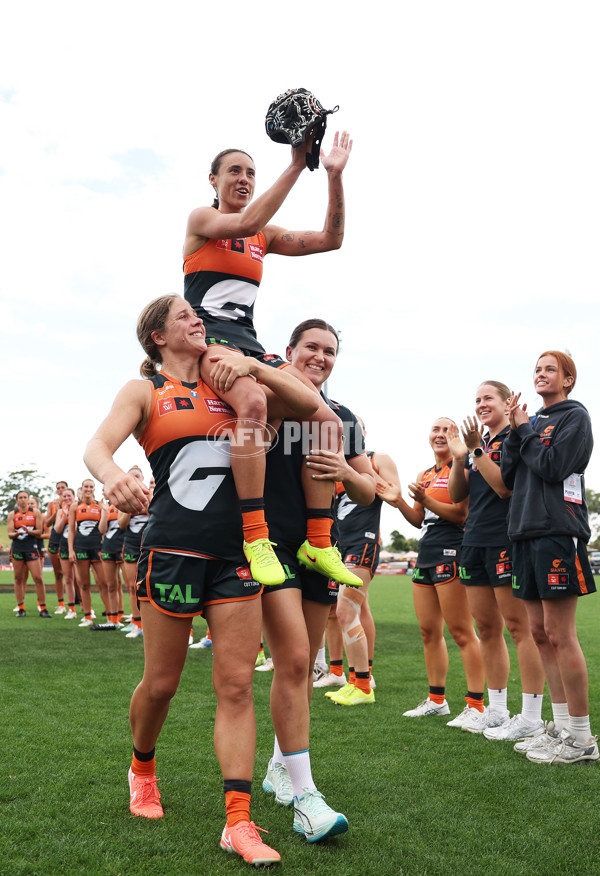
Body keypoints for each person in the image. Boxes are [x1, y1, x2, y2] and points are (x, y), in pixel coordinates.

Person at [84, 293, 318, 866]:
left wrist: (257, 367)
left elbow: (311, 409)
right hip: (172, 551)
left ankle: (238, 821)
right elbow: (97, 445)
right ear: (159, 337)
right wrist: (113, 474)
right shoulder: (146, 389)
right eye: (186, 316)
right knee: (161, 684)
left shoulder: (230, 382)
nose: (200, 321)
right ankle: (143, 766)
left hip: (238, 554)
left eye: (199, 314)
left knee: (236, 686)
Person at [182, 135, 360, 590]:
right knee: (254, 405)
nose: (243, 178)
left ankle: (319, 542)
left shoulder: (264, 235)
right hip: (212, 341)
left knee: (327, 420)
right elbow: (246, 221)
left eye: (250, 172)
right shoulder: (203, 220)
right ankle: (256, 537)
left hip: (250, 344)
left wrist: (334, 176)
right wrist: (298, 165)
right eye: (235, 171)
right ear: (214, 180)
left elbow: (331, 240)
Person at [260, 318, 375, 841]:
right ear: (290, 351)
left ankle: (279, 764)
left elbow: (370, 492)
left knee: (302, 668)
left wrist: (346, 474)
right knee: (296, 660)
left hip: (319, 549)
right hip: (271, 545)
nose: (320, 357)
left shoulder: (344, 418)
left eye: (330, 351)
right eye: (311, 347)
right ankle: (305, 794)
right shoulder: (262, 395)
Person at [500, 351, 598, 764]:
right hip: (523, 532)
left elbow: (553, 466)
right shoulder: (529, 423)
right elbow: (509, 475)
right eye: (537, 369)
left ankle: (581, 737)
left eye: (550, 369)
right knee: (539, 633)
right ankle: (559, 726)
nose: (541, 375)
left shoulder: (575, 417)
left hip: (557, 532)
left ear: (568, 379)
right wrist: (513, 428)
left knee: (560, 634)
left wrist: (523, 431)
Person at [447, 383, 546, 738]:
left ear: (508, 403)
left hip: (505, 540)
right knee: (487, 629)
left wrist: (474, 449)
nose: (481, 404)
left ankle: (531, 716)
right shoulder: (481, 446)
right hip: (473, 541)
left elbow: (504, 485)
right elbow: (458, 496)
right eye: (476, 400)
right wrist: (461, 457)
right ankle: (498, 710)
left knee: (521, 629)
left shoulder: (516, 437)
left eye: (488, 398)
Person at [377, 418, 485, 725]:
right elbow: (417, 519)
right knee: (428, 633)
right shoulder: (425, 473)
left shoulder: (461, 467)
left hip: (453, 551)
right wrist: (398, 500)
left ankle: (476, 705)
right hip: (426, 553)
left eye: (447, 430)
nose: (440, 435)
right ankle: (437, 701)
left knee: (462, 632)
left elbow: (460, 514)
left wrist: (425, 500)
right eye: (435, 430)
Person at [319, 420, 400, 699]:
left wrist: (355, 472)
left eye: (353, 429)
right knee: (354, 610)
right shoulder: (331, 463)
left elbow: (394, 493)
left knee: (345, 611)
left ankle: (363, 683)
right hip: (339, 546)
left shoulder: (378, 459)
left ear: (363, 434)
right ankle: (356, 678)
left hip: (364, 543)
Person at [68, 479, 112, 628]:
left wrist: (104, 511)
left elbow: (102, 530)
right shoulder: (75, 506)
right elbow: (71, 530)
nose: (88, 489)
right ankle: (88, 616)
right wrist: (70, 550)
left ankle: (110, 616)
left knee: (103, 583)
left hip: (97, 548)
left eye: (91, 487)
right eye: (86, 486)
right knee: (84, 584)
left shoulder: (100, 505)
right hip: (80, 547)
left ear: (94, 489)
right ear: (82, 488)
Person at [118, 467, 151, 638]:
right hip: (130, 546)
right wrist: (130, 508)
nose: (135, 478)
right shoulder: (123, 497)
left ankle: (151, 624)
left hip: (149, 546)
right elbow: (121, 524)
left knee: (150, 586)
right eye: (131, 477)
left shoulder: (151, 494)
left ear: (143, 477)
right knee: (132, 586)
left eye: (137, 476)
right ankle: (137, 623)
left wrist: (146, 502)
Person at [8, 491, 51, 617]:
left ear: (28, 499)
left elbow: (38, 532)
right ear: (17, 501)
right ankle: (21, 608)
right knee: (18, 578)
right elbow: (10, 533)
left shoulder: (36, 513)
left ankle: (43, 608)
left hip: (31, 547)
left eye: (25, 497)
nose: (22, 500)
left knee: (38, 577)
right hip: (17, 547)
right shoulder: (12, 514)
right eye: (20, 498)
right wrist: (16, 534)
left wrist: (28, 531)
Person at [44, 481, 69, 613]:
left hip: (70, 540)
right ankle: (61, 604)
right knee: (58, 573)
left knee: (72, 575)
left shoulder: (73, 503)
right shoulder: (52, 504)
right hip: (55, 539)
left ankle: (80, 603)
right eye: (58, 488)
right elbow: (47, 523)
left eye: (63, 488)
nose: (60, 490)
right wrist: (57, 511)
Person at [54, 487, 78, 618]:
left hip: (78, 544)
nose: (67, 498)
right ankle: (71, 609)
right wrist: (64, 516)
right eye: (65, 496)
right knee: (68, 578)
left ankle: (88, 610)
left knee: (80, 579)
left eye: (69, 496)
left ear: (74, 497)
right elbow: (57, 529)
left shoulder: (78, 507)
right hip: (63, 545)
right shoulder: (60, 512)